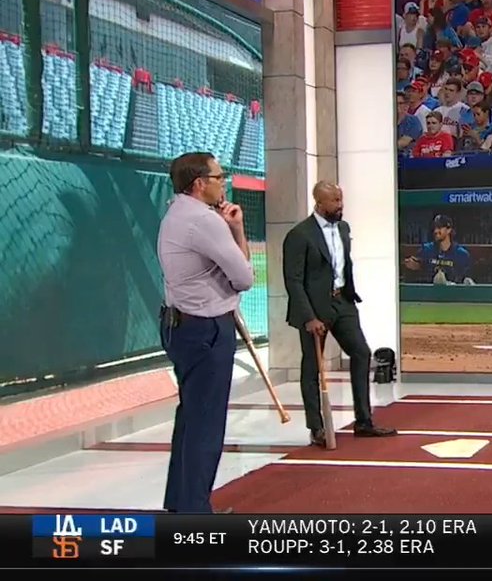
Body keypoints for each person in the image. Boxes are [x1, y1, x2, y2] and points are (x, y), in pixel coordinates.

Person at [156, 152, 255, 513]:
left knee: (191, 417)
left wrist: (235, 228)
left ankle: (180, 503)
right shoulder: (204, 220)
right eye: (219, 176)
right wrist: (236, 231)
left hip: (178, 325)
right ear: (199, 183)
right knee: (206, 424)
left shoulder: (174, 213)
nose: (223, 182)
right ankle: (195, 513)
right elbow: (244, 277)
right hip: (206, 330)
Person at [283, 181, 397, 447]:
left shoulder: (343, 228)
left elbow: (344, 264)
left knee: (361, 352)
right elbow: (293, 280)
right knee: (312, 367)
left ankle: (364, 421)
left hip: (343, 301)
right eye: (334, 200)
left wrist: (349, 293)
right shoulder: (299, 235)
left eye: (341, 199)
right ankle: (317, 428)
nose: (340, 205)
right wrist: (309, 317)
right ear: (319, 203)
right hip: (314, 308)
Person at [404, 214, 473, 284]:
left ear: (449, 230)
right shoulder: (426, 250)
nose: (436, 231)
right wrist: (413, 265)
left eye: (439, 227)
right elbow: (418, 268)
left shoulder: (461, 254)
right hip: (430, 289)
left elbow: (465, 280)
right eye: (434, 228)